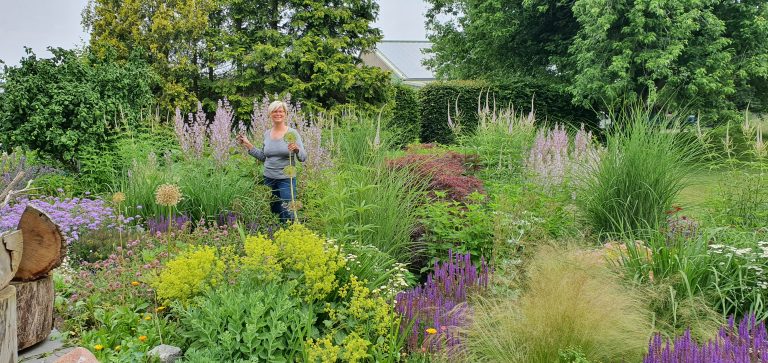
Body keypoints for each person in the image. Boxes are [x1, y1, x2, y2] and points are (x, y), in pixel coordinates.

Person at [237, 101, 307, 223]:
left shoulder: (292, 133)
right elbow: (264, 157)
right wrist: (248, 145)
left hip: (287, 179)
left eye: (281, 111)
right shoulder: (267, 134)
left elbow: (303, 157)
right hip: (268, 178)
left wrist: (296, 149)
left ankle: (289, 234)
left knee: (288, 211)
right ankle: (275, 235)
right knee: (273, 210)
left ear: (285, 114)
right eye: (275, 111)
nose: (278, 114)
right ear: (270, 114)